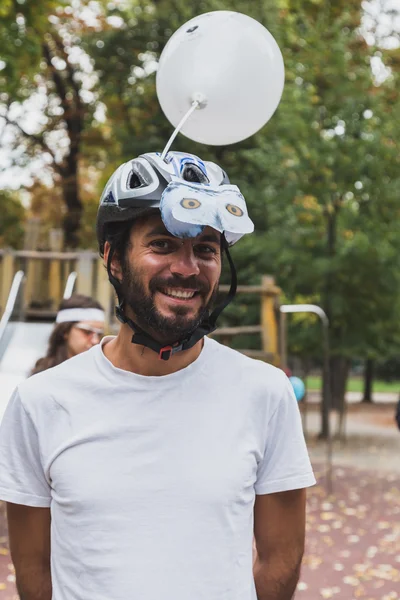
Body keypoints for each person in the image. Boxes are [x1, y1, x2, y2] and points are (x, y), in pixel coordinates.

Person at [0, 151, 315, 600]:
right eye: (162, 244)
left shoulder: (265, 393)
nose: (187, 267)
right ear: (113, 258)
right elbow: (32, 567)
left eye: (205, 249)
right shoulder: (40, 402)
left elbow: (280, 559)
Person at [30, 294, 105, 375]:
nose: (95, 341)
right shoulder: (43, 375)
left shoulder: (101, 374)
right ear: (65, 331)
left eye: (99, 334)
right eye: (87, 332)